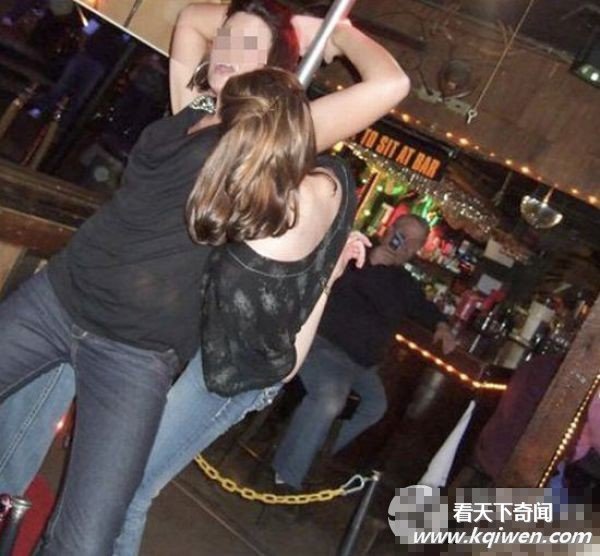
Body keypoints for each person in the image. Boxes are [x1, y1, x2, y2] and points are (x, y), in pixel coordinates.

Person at [0, 1, 410, 554]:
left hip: (134, 353)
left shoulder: (268, 136)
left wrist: (331, 30)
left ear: (276, 71)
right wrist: (255, 22)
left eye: (249, 48)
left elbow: (390, 84)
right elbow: (194, 18)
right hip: (59, 299)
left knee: (86, 541)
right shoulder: (191, 102)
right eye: (227, 39)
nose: (228, 51)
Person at [272, 214, 457, 490]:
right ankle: (287, 475)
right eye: (403, 236)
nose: (406, 245)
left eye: (414, 243)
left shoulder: (404, 282)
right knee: (330, 399)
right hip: (321, 344)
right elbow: (329, 281)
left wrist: (442, 325)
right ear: (390, 230)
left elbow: (423, 308)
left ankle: (308, 450)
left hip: (359, 363)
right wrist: (372, 261)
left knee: (375, 406)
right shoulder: (357, 251)